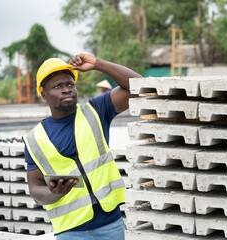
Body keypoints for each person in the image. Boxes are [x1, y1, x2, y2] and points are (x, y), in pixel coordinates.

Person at [22, 53, 141, 239]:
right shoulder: (34, 140)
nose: (66, 89)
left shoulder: (96, 110)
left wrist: (98, 64)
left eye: (70, 84)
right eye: (57, 86)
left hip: (111, 226)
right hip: (70, 232)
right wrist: (55, 194)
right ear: (44, 94)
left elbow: (138, 86)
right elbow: (35, 189)